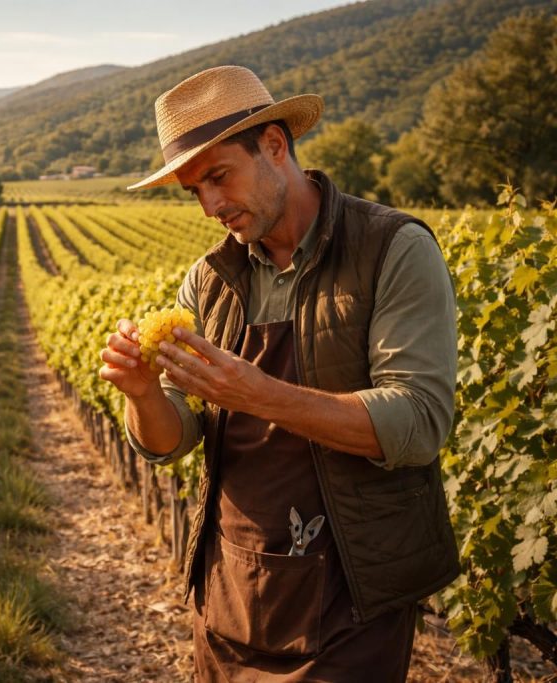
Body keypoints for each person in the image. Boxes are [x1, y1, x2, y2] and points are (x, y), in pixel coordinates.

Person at [98, 65, 460, 681]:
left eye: (218, 176)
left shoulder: (391, 250)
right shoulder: (209, 280)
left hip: (354, 601)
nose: (210, 205)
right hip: (229, 592)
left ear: (274, 145)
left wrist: (260, 394)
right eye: (194, 190)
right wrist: (141, 396)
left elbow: (419, 422)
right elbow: (173, 441)